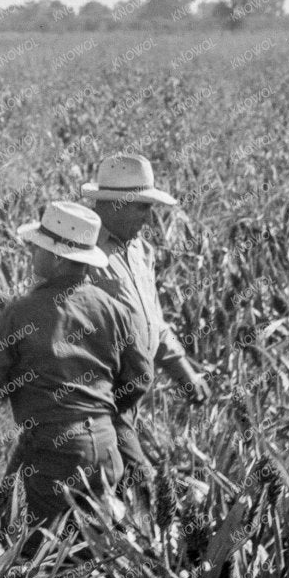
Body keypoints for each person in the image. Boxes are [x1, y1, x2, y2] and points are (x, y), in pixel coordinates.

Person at [0, 200, 153, 526]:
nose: (31, 254)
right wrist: (100, 408)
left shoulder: (21, 313)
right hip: (106, 446)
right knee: (97, 545)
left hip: (55, 451)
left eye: (37, 248)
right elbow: (140, 377)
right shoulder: (112, 308)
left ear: (55, 258)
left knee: (50, 549)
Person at [79, 154, 208, 486]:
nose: (150, 217)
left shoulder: (140, 251)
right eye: (143, 207)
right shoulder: (82, 251)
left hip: (129, 393)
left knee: (108, 489)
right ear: (117, 204)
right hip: (98, 392)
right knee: (143, 484)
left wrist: (183, 372)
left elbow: (154, 321)